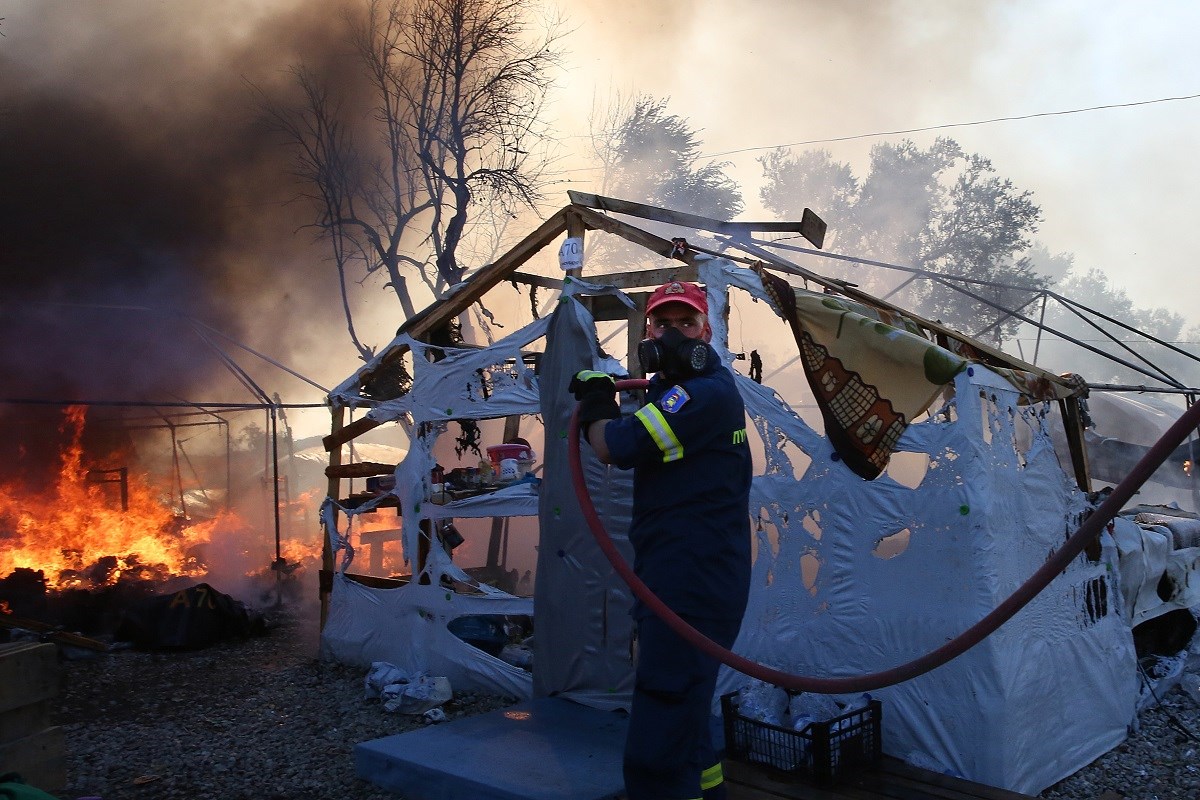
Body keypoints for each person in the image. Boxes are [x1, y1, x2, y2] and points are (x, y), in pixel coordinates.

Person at [569, 280, 753, 800]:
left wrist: (597, 403)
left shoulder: (705, 393)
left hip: (691, 577)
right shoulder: (676, 391)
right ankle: (705, 791)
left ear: (707, 331)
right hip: (682, 569)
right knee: (687, 706)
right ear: (647, 330)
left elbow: (614, 446)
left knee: (663, 701)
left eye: (686, 324)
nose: (673, 335)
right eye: (663, 324)